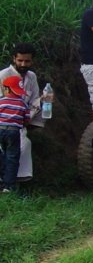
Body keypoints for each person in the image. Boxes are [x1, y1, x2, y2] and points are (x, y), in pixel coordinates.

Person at [0, 43, 46, 183]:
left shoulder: (31, 77)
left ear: (32, 61)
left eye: (27, 61)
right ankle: (5, 180)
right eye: (20, 60)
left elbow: (34, 101)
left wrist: (44, 100)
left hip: (20, 123)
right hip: (4, 122)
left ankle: (16, 180)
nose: (23, 64)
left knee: (25, 144)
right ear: (14, 59)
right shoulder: (3, 75)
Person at [0, 76, 31, 193]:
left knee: (2, 154)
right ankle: (8, 186)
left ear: (6, 89)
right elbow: (26, 120)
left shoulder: (1, 101)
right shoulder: (22, 103)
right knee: (12, 157)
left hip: (0, 129)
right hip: (13, 132)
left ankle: (2, 178)